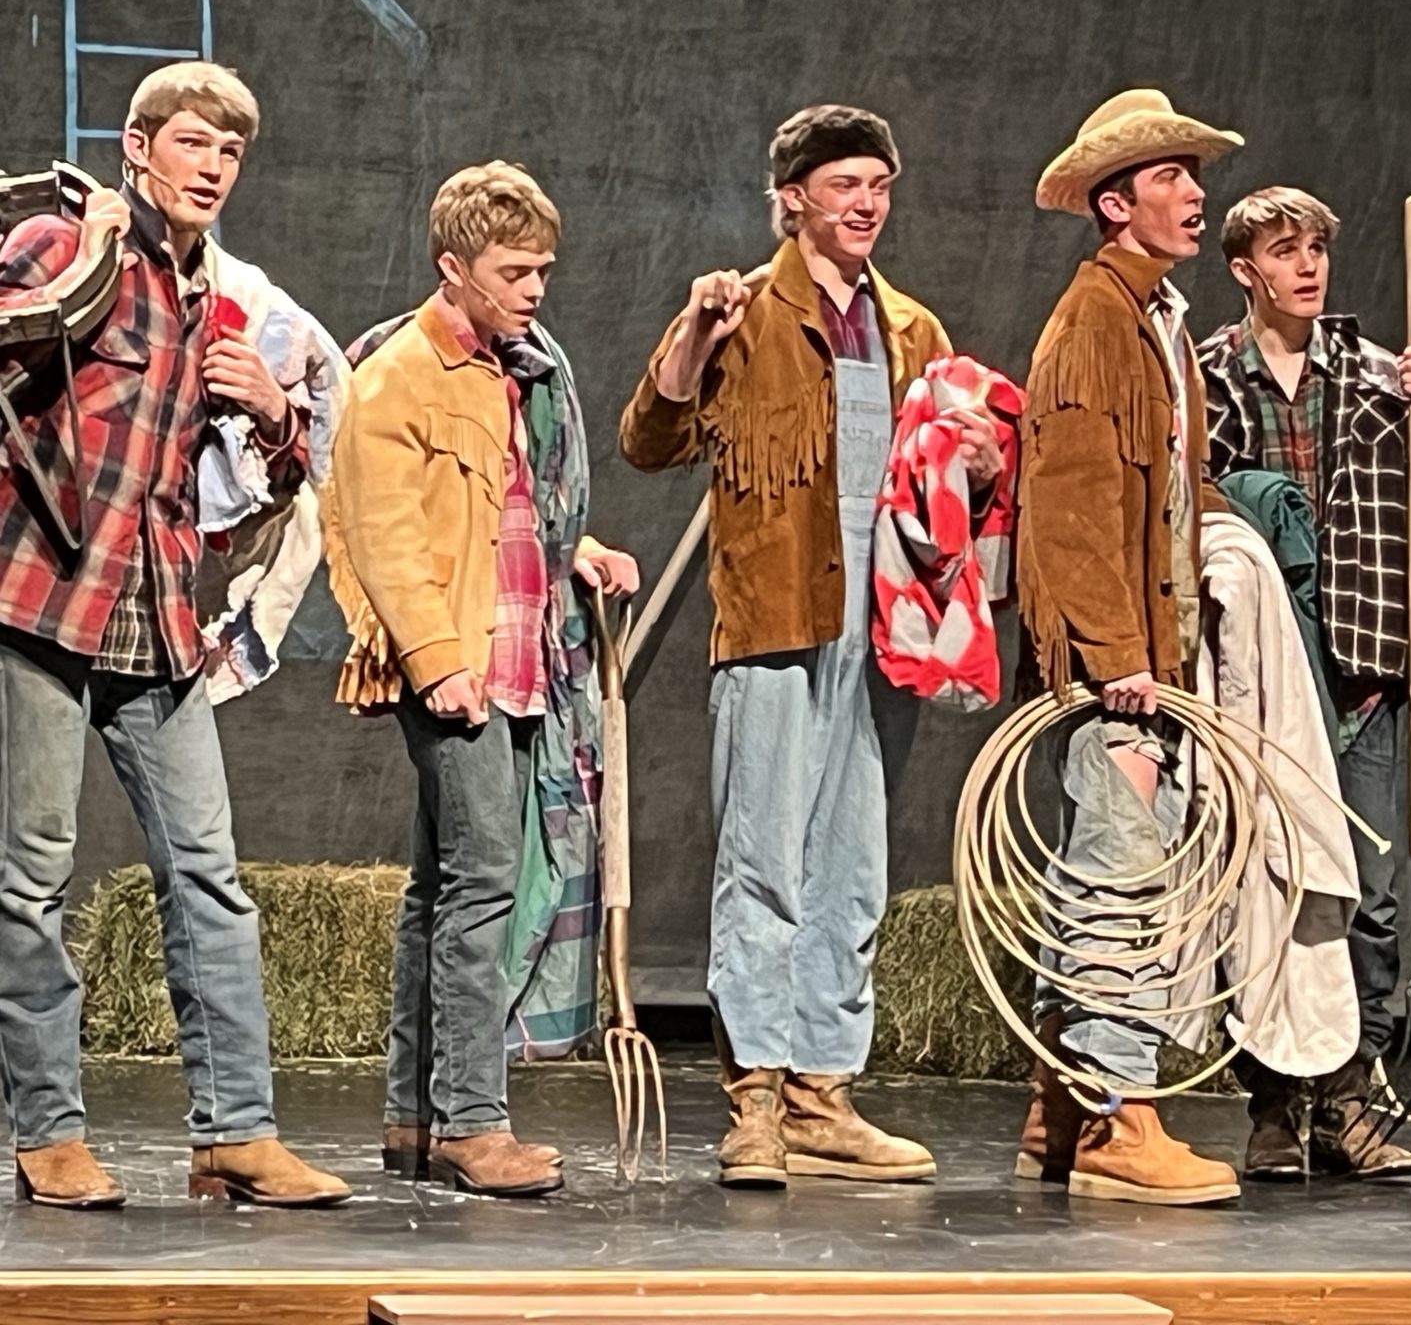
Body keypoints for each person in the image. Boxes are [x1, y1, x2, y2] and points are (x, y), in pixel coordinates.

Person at [620, 106, 998, 1188]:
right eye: (843, 186)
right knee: (764, 862)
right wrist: (695, 338)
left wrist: (976, 469)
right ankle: (754, 1099)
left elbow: (948, 493)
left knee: (852, 866)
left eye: (878, 184)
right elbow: (649, 440)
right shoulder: (743, 311)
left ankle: (822, 1094)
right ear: (791, 200)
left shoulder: (913, 329)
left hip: (884, 623)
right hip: (779, 616)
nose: (865, 204)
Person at [0, 62, 348, 1209]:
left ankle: (235, 1133)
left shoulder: (214, 301)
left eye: (230, 152)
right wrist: (88, 268)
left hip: (157, 619)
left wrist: (276, 415)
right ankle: (50, 1132)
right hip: (43, 603)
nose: (212, 167)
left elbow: (258, 490)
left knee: (209, 875)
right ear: (139, 147)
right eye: (193, 142)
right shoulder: (66, 242)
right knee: (31, 877)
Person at [329, 161, 638, 1198]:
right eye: (513, 271)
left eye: (542, 270)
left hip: (519, 658)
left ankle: (414, 1117)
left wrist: (577, 550)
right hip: (459, 666)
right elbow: (383, 536)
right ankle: (472, 1121)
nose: (534, 289)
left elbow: (510, 509)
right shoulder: (401, 375)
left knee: (442, 889)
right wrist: (435, 660)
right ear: (452, 268)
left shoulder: (520, 369)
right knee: (483, 889)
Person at [1196, 185, 1411, 1181]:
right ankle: (1272, 1103)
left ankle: (1349, 1099)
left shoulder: (1380, 375)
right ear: (1245, 270)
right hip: (1261, 677)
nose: (1307, 266)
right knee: (1265, 891)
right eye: (1285, 250)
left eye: (1316, 247)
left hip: (1360, 672)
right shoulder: (1205, 378)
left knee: (1369, 896)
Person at [1013, 87, 1245, 1207]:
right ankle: (1119, 1119)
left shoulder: (1158, 319)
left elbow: (1170, 496)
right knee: (1121, 883)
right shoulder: (1097, 323)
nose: (1194, 193)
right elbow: (1068, 506)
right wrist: (1116, 658)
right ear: (1115, 203)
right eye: (1168, 177)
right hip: (1123, 670)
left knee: (1114, 870)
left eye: (1192, 175)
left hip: (1155, 653)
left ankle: (1058, 1110)